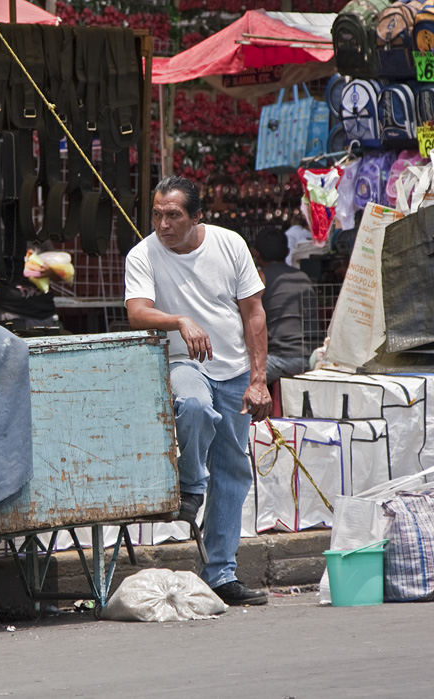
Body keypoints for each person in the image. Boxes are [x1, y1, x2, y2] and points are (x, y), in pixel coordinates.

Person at [125, 175, 271, 607]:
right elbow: (137, 313)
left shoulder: (229, 245)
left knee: (233, 472)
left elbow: (254, 313)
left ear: (196, 217)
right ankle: (191, 485)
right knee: (190, 403)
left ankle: (221, 574)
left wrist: (258, 379)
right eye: (156, 214)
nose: (163, 224)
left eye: (173, 215)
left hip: (234, 369)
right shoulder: (143, 253)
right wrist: (179, 322)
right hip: (181, 363)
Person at [253, 227, 319, 385]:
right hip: (310, 357)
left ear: (255, 253)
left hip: (279, 358)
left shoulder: (259, 279)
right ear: (287, 251)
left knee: (235, 379)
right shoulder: (302, 277)